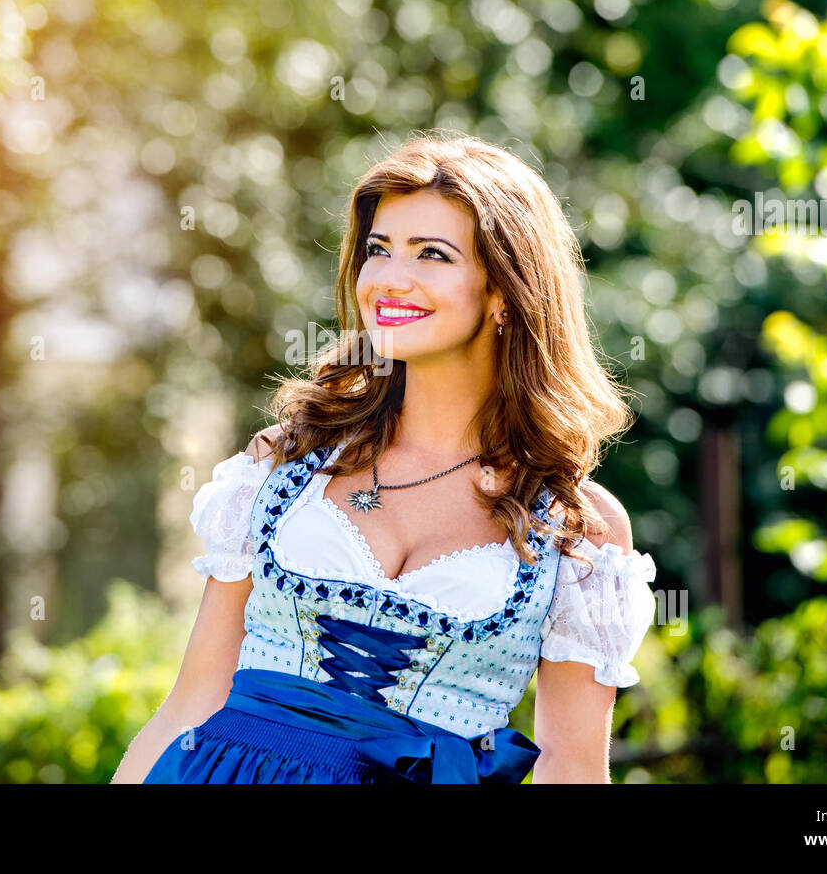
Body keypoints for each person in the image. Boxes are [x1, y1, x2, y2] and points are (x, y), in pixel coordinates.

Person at [113, 129, 657, 784]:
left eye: (432, 254)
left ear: (504, 292)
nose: (391, 279)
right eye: (379, 249)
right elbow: (191, 704)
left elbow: (571, 771)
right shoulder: (287, 462)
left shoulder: (576, 528)